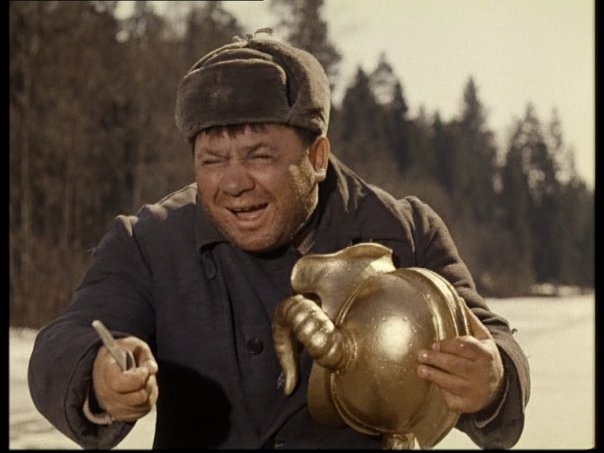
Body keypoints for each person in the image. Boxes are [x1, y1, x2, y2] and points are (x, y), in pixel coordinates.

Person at [28, 29, 530, 449]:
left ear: (317, 157)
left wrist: (493, 379)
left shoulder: (403, 232)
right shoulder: (151, 242)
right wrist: (99, 375)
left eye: (259, 156)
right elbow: (63, 342)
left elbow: (493, 342)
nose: (233, 182)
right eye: (212, 160)